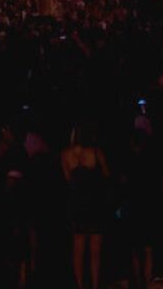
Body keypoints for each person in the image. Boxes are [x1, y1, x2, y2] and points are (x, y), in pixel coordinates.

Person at [62, 123, 111, 289]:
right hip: (94, 203)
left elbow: (68, 179)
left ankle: (80, 285)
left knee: (78, 250)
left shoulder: (66, 154)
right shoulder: (96, 152)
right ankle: (95, 285)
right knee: (95, 252)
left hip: (77, 203)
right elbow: (106, 174)